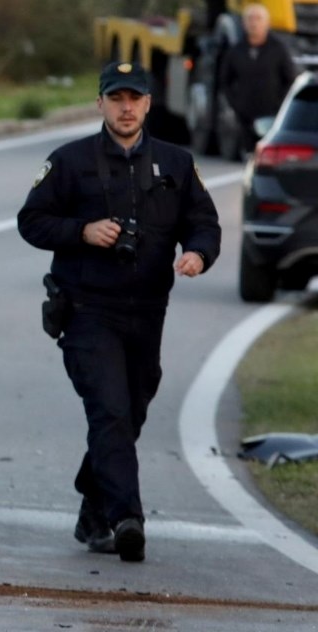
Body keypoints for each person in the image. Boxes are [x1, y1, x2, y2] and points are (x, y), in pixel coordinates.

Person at [17, 61, 222, 562]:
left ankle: (92, 512)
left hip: (148, 312)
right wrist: (81, 232)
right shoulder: (70, 161)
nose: (126, 107)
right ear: (100, 104)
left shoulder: (175, 163)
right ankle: (126, 518)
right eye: (116, 98)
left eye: (134, 98)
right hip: (88, 310)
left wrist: (198, 253)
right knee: (109, 410)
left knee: (127, 415)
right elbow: (32, 221)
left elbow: (206, 223)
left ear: (149, 103)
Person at [220, 2, 298, 155]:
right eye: (250, 18)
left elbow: (290, 79)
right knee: (248, 157)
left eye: (258, 19)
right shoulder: (236, 51)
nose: (254, 23)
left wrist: (280, 105)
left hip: (271, 114)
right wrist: (236, 104)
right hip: (245, 116)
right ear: (244, 23)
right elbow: (225, 81)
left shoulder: (278, 49)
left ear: (267, 23)